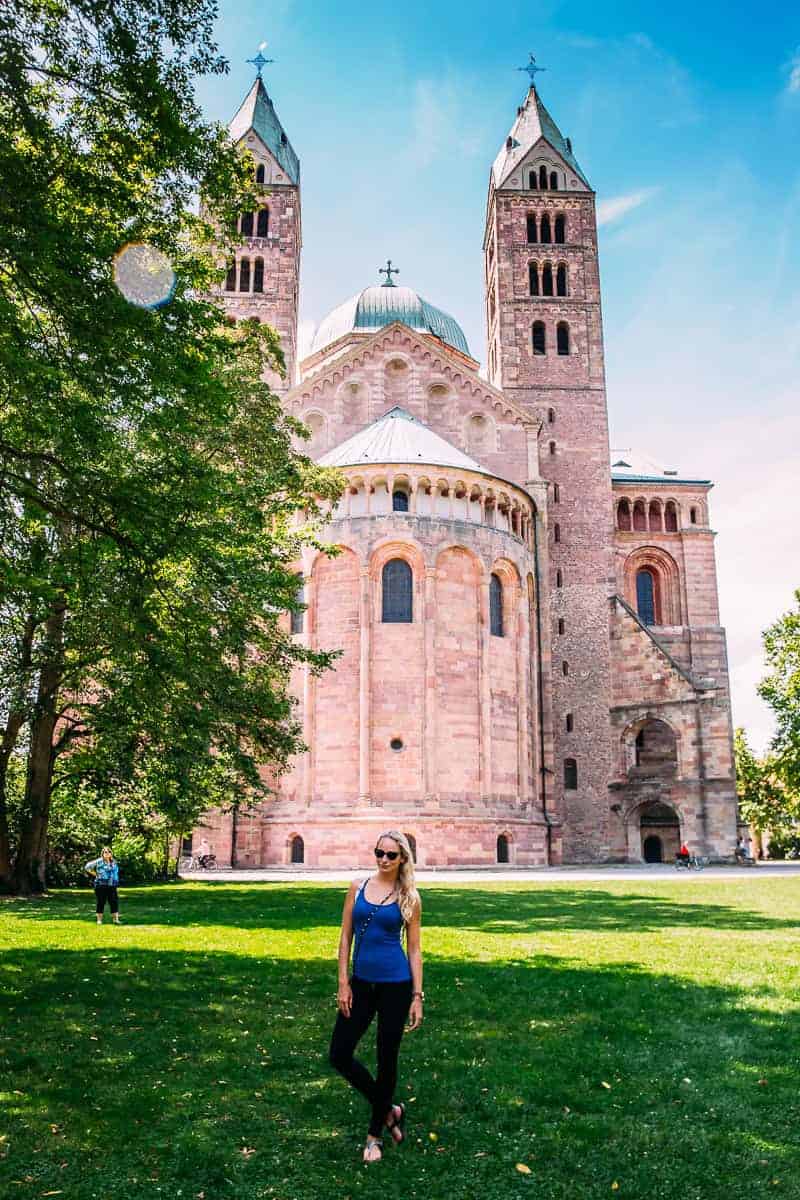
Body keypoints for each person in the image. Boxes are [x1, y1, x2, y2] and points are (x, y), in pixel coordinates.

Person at [329, 831, 424, 1164]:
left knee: (387, 1059)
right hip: (360, 984)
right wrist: (343, 982)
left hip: (396, 985)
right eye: (379, 853)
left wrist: (417, 994)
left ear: (403, 859)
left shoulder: (409, 896)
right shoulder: (357, 887)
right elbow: (345, 937)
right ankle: (389, 1109)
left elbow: (414, 949)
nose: (384, 859)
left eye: (391, 855)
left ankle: (374, 1138)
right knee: (339, 1054)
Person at [84, 847, 121, 925]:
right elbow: (87, 867)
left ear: (111, 853)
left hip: (112, 885)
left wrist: (116, 880)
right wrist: (95, 874)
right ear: (103, 854)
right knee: (101, 902)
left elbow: (116, 872)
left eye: (109, 852)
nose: (107, 853)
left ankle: (116, 920)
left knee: (114, 902)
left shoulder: (114, 862)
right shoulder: (99, 861)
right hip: (101, 885)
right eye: (105, 852)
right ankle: (99, 920)